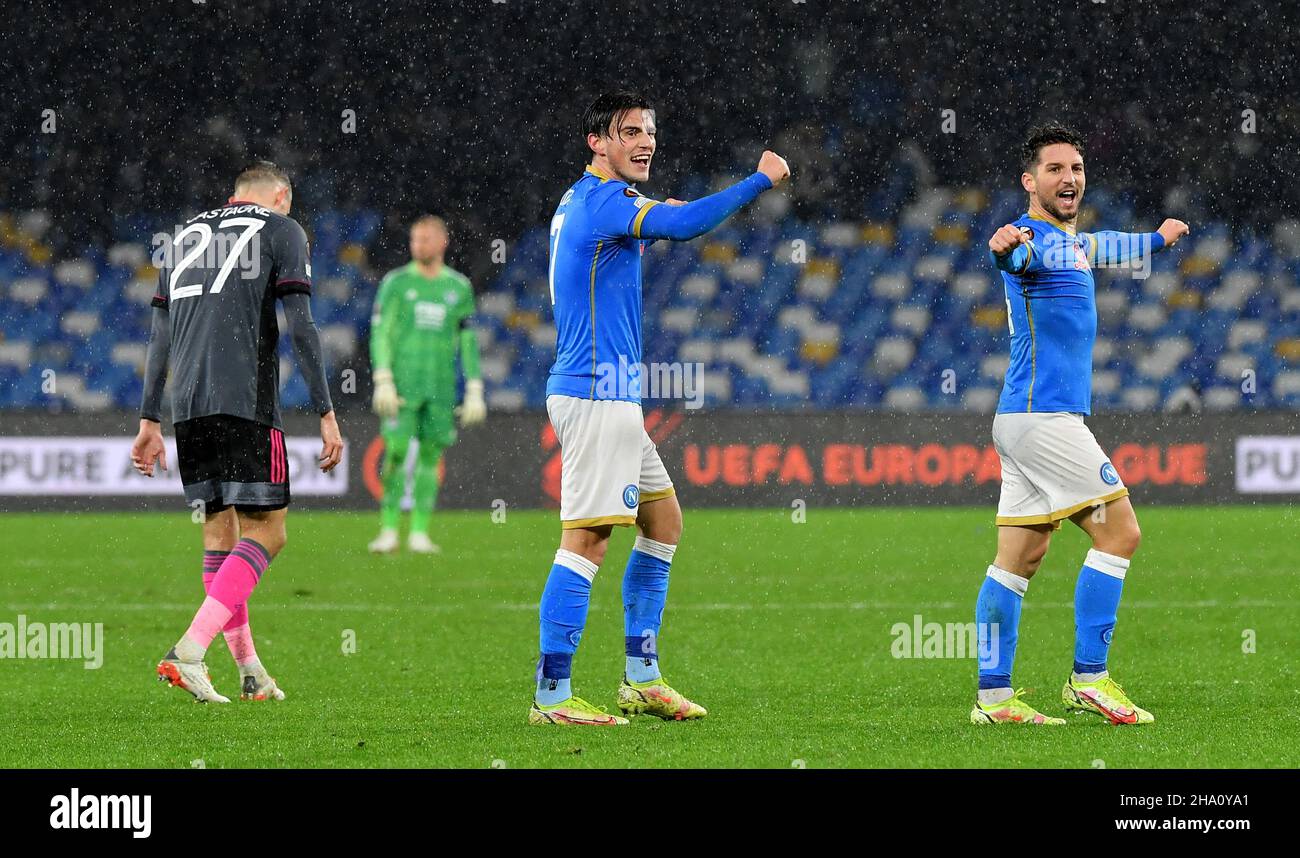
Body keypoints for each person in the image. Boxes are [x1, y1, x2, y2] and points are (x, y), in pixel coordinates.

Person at [530, 91, 789, 725]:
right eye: (628, 133)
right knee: (585, 542)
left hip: (611, 393)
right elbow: (685, 225)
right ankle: (552, 696)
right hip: (595, 393)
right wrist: (762, 177)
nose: (645, 142)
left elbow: (639, 231)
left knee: (663, 523)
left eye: (649, 131)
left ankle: (641, 678)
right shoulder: (603, 201)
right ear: (597, 142)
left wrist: (648, 217)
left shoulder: (585, 200)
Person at [972, 123, 1188, 726]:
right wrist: (1000, 247)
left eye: (1076, 168)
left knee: (1018, 559)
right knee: (1120, 535)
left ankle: (993, 700)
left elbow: (1108, 245)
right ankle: (1089, 679)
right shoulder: (1032, 240)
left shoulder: (1075, 243)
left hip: (1020, 418)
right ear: (1029, 181)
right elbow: (1010, 256)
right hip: (1045, 419)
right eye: (1055, 169)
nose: (1069, 178)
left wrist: (1158, 239)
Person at [132, 161, 343, 703]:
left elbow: (159, 336)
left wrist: (149, 420)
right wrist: (325, 410)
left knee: (218, 536)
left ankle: (249, 672)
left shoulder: (180, 239)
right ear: (279, 196)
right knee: (268, 532)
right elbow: (302, 323)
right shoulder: (282, 229)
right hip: (246, 402)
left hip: (189, 408)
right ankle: (188, 651)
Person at [367, 215, 485, 555]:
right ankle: (389, 528)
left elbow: (467, 339)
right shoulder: (396, 283)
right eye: (414, 240)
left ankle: (419, 530)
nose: (417, 245)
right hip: (402, 385)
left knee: (431, 457)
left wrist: (474, 385)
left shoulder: (458, 287)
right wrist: (383, 378)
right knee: (397, 452)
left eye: (424, 239)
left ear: (441, 242)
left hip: (440, 387)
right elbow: (381, 332)